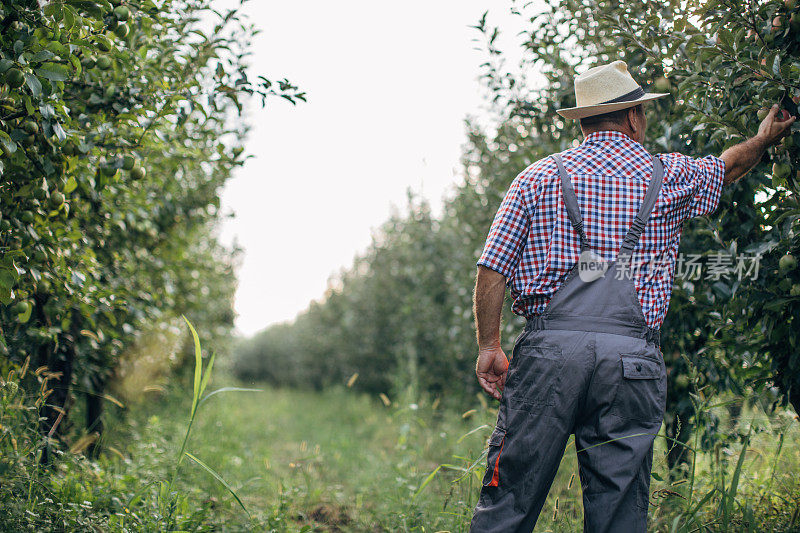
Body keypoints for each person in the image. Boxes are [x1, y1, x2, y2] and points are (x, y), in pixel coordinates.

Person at [469, 60, 795, 532]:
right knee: (619, 508)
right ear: (633, 118)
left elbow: (492, 267)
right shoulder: (669, 176)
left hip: (549, 355)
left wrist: (489, 346)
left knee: (510, 499)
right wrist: (765, 138)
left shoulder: (536, 178)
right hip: (631, 363)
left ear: (582, 122)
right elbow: (730, 165)